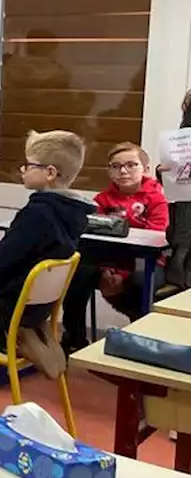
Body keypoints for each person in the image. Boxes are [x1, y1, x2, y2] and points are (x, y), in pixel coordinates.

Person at [0, 130, 92, 378]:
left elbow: (1, 263)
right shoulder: (73, 213)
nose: (22, 170)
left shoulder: (38, 214)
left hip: (5, 310)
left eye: (29, 165)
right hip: (34, 310)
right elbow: (16, 258)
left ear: (50, 172)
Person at [63, 142, 169, 352]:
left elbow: (157, 235)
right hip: (108, 262)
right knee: (77, 274)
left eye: (131, 165)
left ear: (145, 169)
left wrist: (120, 275)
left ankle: (141, 342)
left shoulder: (159, 198)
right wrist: (106, 271)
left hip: (148, 261)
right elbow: (94, 236)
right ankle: (74, 339)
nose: (123, 171)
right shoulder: (101, 200)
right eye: (115, 166)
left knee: (141, 282)